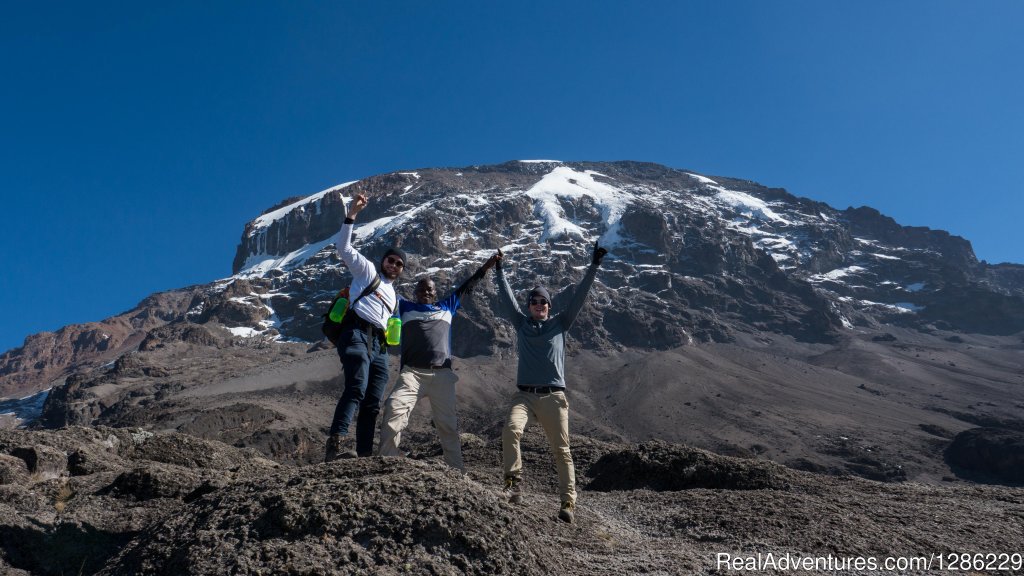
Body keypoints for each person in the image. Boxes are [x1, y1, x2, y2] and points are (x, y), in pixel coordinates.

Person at [493, 241, 607, 523]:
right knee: (510, 430)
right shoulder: (521, 324)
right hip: (524, 396)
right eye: (534, 301)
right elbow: (506, 297)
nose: (539, 305)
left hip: (553, 397)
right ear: (529, 306)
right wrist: (499, 269)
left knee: (562, 450)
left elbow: (580, 296)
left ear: (549, 306)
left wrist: (594, 266)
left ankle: (568, 503)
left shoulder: (561, 323)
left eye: (543, 301)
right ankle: (513, 485)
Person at [376, 253, 500, 470]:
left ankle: (456, 471)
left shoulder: (447, 307)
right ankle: (389, 462)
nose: (426, 292)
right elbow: (382, 288)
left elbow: (468, 285)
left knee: (448, 426)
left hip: (442, 375)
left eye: (430, 290)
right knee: (393, 410)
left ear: (435, 294)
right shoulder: (404, 307)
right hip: (412, 373)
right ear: (415, 293)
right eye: (422, 290)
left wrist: (486, 267)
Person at [325, 193, 405, 462]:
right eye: (391, 260)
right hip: (356, 333)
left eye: (399, 263)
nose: (393, 265)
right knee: (356, 387)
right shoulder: (367, 271)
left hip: (380, 346)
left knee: (372, 401)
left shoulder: (395, 296)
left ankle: (363, 454)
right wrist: (352, 215)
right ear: (383, 260)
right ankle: (336, 444)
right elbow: (344, 248)